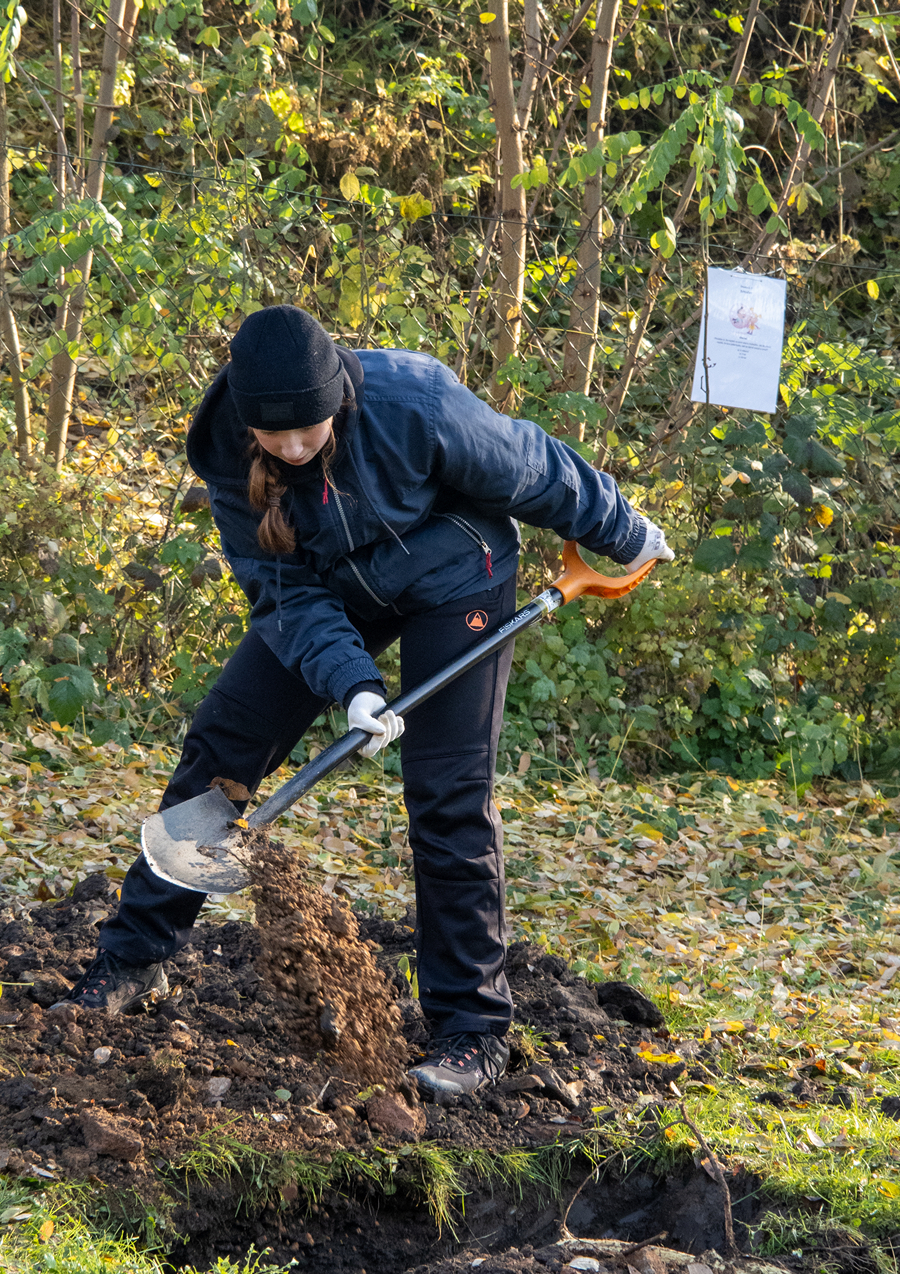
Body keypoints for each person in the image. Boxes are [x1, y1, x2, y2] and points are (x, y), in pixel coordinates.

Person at [54, 305, 672, 1101]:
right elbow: (281, 590)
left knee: (448, 792)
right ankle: (134, 958)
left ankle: (472, 1031)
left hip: (457, 575)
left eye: (308, 430)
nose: (293, 448)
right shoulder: (225, 446)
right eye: (275, 436)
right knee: (223, 742)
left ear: (337, 400)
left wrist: (623, 530)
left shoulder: (413, 404)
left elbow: (532, 468)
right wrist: (354, 683)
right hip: (330, 588)